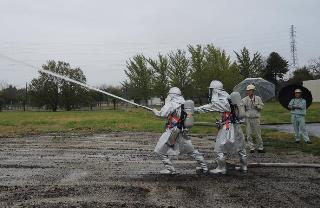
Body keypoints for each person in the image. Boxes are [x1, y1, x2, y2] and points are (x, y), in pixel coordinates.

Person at [194, 80, 247, 174]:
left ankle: (221, 168)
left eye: (211, 90)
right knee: (241, 147)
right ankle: (244, 166)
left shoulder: (220, 101)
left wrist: (194, 110)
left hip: (228, 126)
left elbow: (208, 107)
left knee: (220, 147)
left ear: (215, 90)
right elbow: (228, 114)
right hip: (236, 125)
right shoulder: (228, 97)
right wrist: (221, 121)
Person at [152, 87, 208, 174]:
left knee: (159, 150)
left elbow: (162, 114)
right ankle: (204, 166)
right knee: (191, 151)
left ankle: (170, 169)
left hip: (172, 131)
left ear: (171, 95)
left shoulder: (171, 104)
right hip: (182, 131)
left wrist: (155, 111)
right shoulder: (185, 104)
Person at [242, 84, 265, 153]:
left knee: (258, 133)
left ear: (253, 91)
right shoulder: (244, 99)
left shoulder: (258, 98)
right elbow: (242, 109)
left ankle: (260, 147)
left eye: (250, 90)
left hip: (256, 118)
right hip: (248, 118)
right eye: (248, 90)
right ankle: (251, 147)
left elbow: (261, 107)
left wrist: (257, 106)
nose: (249, 92)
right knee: (249, 134)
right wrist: (244, 107)